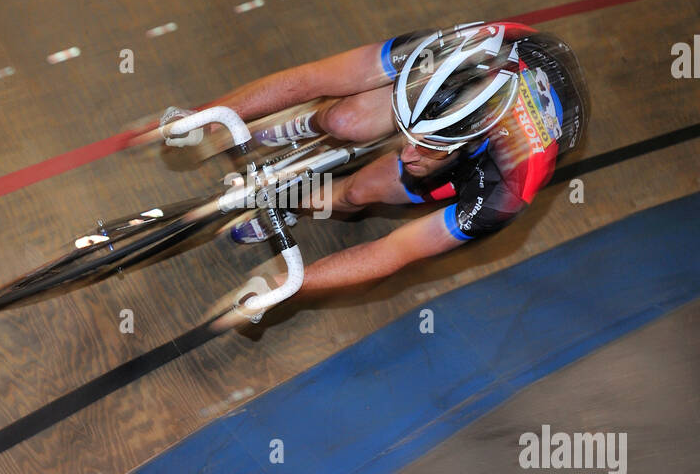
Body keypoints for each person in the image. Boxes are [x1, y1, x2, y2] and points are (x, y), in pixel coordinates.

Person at [172, 21, 586, 299]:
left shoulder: (505, 188)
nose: (406, 153)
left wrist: (283, 285)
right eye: (408, 135)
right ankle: (303, 126)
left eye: (427, 146)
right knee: (342, 116)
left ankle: (288, 199)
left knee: (358, 191)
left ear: (462, 148)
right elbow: (311, 78)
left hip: (505, 145)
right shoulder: (437, 55)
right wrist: (207, 116)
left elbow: (392, 252)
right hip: (495, 58)